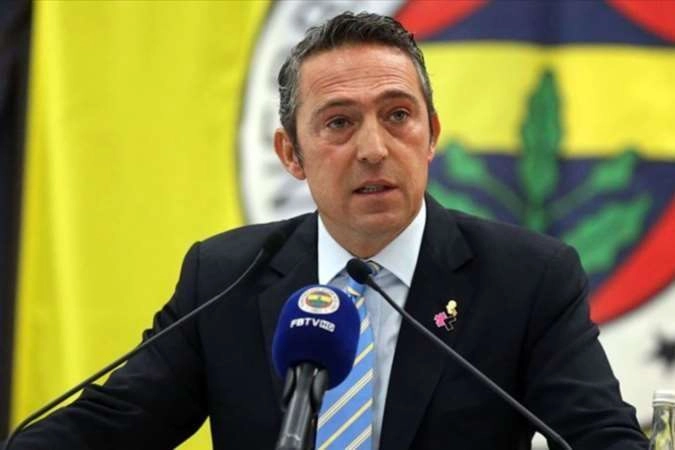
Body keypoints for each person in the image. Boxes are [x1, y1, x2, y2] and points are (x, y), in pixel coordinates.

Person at [5, 11, 647, 450]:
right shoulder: (227, 277)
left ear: (431, 135)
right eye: (339, 123)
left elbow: (598, 433)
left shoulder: (525, 279)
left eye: (398, 115)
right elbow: (116, 422)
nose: (374, 148)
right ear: (292, 154)